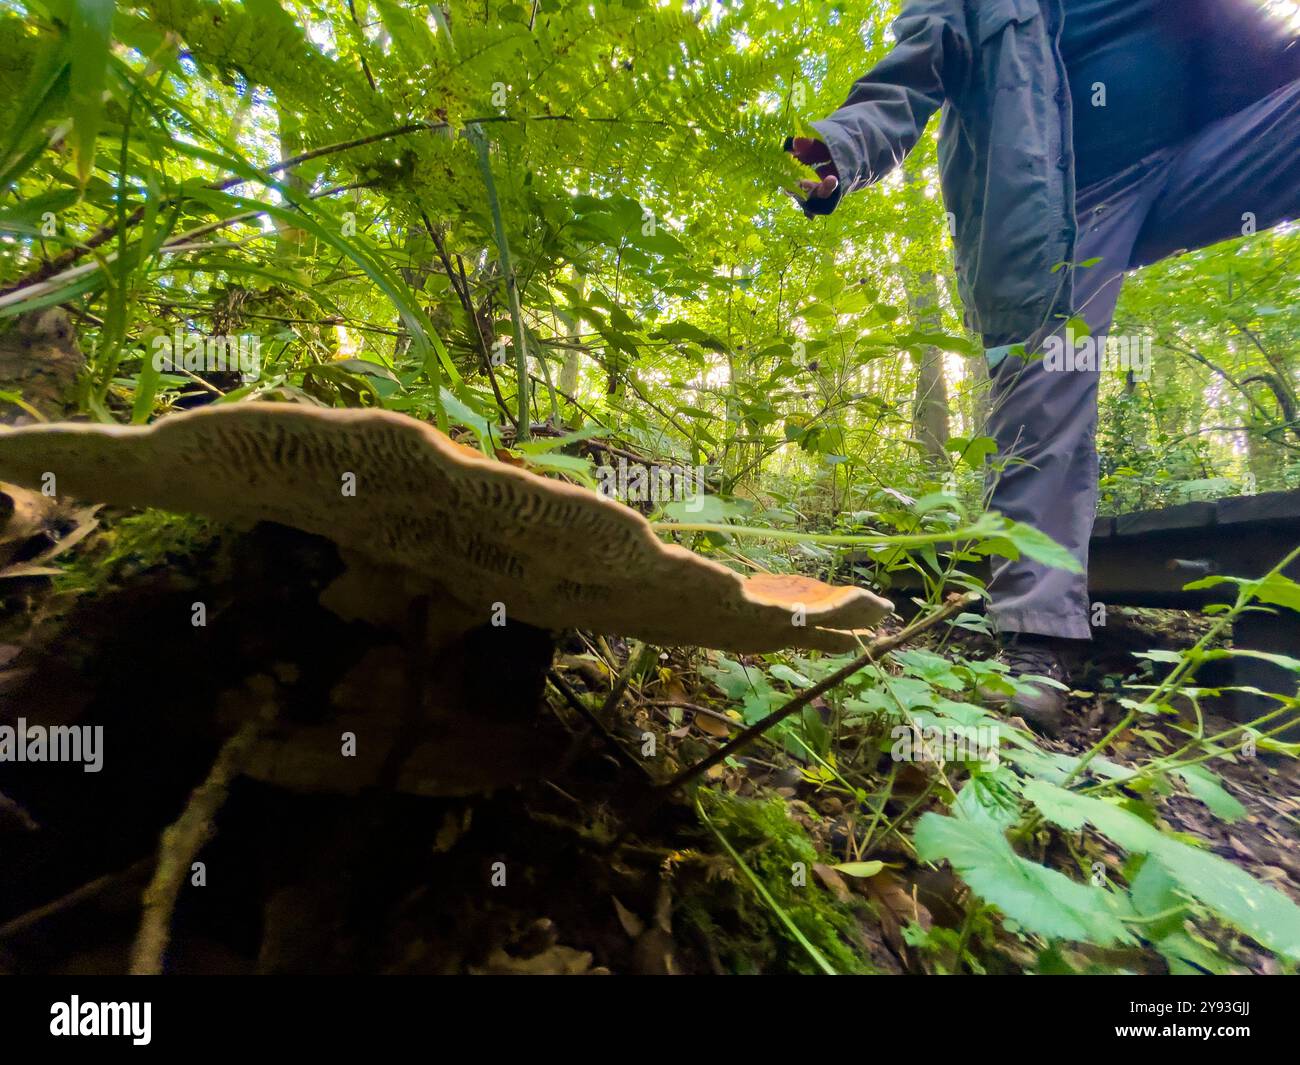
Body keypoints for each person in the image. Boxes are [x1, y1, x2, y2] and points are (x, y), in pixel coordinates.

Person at [788, 0, 1300, 733]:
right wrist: (842, 145)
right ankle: (1038, 641)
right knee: (1046, 395)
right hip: (1061, 211)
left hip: (1200, 153)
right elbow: (910, 74)